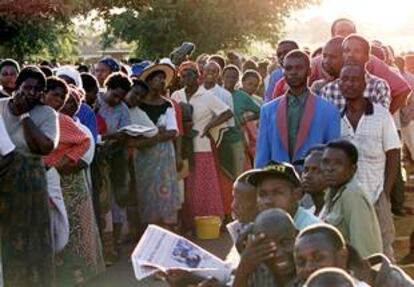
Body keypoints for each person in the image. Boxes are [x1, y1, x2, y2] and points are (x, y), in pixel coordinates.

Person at [0, 66, 58, 286]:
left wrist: (25, 115)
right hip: (3, 182)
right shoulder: (0, 107)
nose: (32, 93)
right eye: (28, 87)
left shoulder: (46, 114)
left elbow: (43, 147)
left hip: (30, 186)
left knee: (33, 240)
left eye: (37, 89)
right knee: (7, 239)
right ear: (17, 86)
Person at [44, 84, 105, 286]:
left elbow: (86, 141)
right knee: (56, 233)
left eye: (67, 99)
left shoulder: (63, 121)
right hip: (49, 185)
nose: (62, 102)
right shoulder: (38, 118)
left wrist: (61, 163)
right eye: (57, 96)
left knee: (76, 231)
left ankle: (81, 276)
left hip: (71, 185)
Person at [338, 64, 400, 260]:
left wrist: (386, 193)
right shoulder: (336, 119)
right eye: (345, 80)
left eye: (354, 79)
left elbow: (393, 155)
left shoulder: (381, 115)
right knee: (351, 250)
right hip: (347, 198)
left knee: (383, 251)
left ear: (364, 83)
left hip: (376, 194)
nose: (349, 84)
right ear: (339, 84)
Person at [171, 61, 233, 229]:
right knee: (185, 187)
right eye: (183, 76)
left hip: (202, 146)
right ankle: (188, 223)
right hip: (182, 147)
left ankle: (209, 221)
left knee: (204, 187)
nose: (186, 79)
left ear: (198, 77)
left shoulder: (206, 96)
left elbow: (227, 112)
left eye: (190, 75)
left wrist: (209, 126)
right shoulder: (177, 96)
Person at [255, 50, 340, 167]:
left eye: (299, 68)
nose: (293, 72)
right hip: (278, 179)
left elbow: (332, 155)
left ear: (310, 71)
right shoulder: (268, 110)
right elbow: (262, 154)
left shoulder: (329, 111)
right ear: (283, 72)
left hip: (313, 180)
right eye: (288, 68)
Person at [134, 63, 181, 229]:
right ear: (148, 81)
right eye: (157, 79)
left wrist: (151, 136)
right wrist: (157, 133)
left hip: (164, 155)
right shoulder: (138, 106)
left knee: (165, 191)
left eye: (163, 79)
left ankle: (166, 228)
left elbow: (172, 131)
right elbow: (134, 133)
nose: (161, 82)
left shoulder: (167, 105)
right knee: (147, 191)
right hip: (144, 157)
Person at [295, 224, 414, 287]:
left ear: (342, 256)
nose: (309, 267)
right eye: (301, 262)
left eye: (318, 258)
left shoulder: (391, 281)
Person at [320, 140, 382, 257]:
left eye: (338, 163)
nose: (329, 168)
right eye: (325, 162)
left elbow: (365, 251)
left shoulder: (353, 195)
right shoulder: (331, 193)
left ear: (353, 169)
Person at [96, 72, 132, 264]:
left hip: (116, 158)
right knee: (102, 203)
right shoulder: (96, 100)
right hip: (97, 158)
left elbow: (125, 133)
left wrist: (116, 138)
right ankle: (102, 246)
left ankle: (115, 243)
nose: (117, 100)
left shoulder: (123, 108)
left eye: (121, 97)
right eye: (115, 95)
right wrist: (110, 136)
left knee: (117, 202)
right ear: (107, 88)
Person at [320, 35, 391, 112]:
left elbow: (381, 119)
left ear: (367, 57)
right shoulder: (329, 89)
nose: (350, 55)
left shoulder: (378, 86)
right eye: (347, 51)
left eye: (357, 51)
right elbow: (327, 122)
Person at [246, 161, 320, 230]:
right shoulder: (259, 227)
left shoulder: (312, 230)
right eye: (262, 194)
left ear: (296, 195)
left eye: (277, 193)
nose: (268, 201)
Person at [234, 208, 298, 287]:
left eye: (285, 242)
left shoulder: (310, 268)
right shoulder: (256, 269)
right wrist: (243, 271)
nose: (278, 254)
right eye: (268, 247)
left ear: (297, 236)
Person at [302, 148, 327, 216]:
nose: (307, 176)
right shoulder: (308, 214)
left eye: (315, 170)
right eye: (306, 170)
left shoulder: (338, 209)